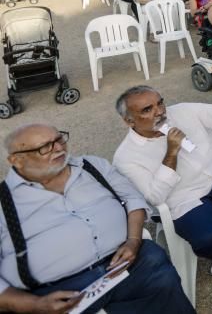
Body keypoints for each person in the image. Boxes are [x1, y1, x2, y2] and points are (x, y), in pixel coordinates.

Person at [0, 123, 194, 314]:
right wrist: (32, 304)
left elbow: (132, 198)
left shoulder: (92, 166)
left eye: (59, 139)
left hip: (129, 263)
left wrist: (133, 241)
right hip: (53, 292)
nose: (59, 148)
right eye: (45, 147)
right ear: (17, 160)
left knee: (161, 279)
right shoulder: (3, 202)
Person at [113, 87, 212, 283]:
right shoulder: (126, 157)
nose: (160, 111)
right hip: (184, 198)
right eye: (147, 109)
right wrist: (171, 152)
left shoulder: (182, 111)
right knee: (207, 238)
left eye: (160, 102)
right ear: (129, 121)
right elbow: (155, 197)